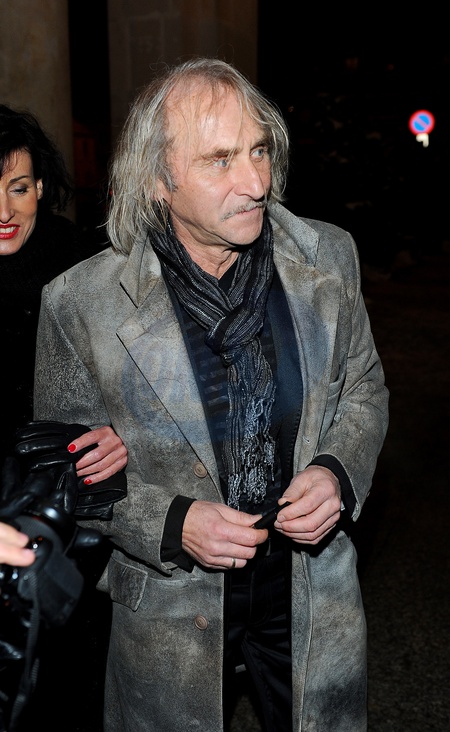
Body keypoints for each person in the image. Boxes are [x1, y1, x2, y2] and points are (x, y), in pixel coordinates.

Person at [32, 57, 389, 732]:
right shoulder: (81, 305)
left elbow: (364, 387)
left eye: (258, 150)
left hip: (310, 588)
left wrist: (337, 472)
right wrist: (171, 523)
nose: (255, 182)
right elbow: (68, 472)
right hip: (171, 603)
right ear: (157, 180)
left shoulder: (328, 256)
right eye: (220, 160)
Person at [0, 104, 128, 730]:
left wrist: (122, 434)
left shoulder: (84, 265)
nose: (4, 210)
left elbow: (139, 379)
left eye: (18, 188)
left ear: (41, 188)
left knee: (75, 691)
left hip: (75, 517)